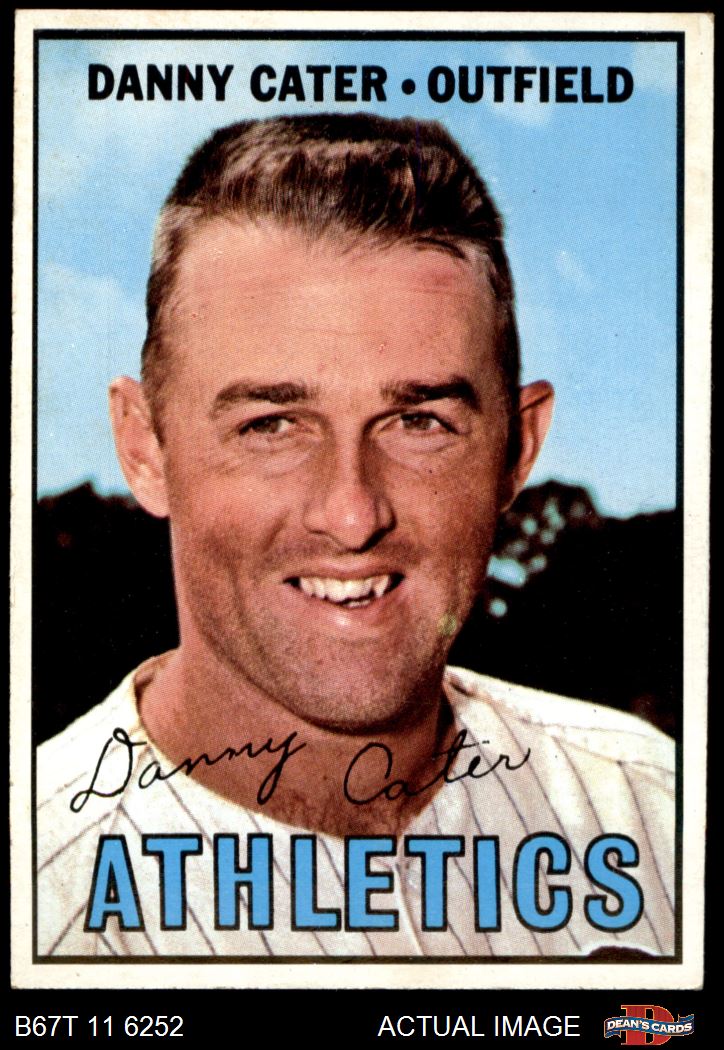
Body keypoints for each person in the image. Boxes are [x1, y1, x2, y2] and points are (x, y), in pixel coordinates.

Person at [37, 114, 675, 959]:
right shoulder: (39, 891)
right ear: (144, 448)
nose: (352, 512)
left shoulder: (654, 810)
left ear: (517, 449)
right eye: (271, 425)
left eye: (419, 422)